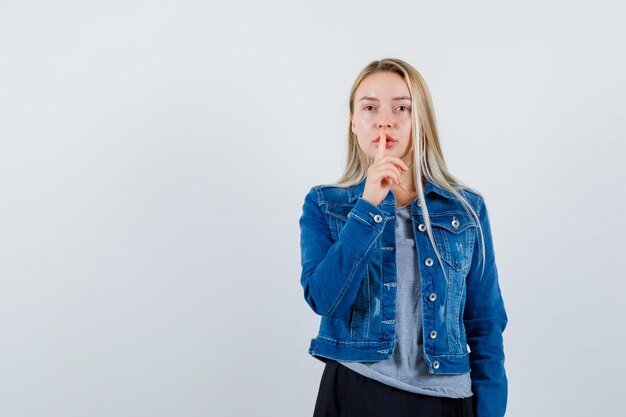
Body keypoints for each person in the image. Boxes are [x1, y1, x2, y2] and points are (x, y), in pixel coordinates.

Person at [298, 58, 508, 417]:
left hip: (446, 400)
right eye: (369, 107)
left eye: (401, 107)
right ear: (353, 122)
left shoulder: (466, 209)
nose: (385, 120)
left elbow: (485, 323)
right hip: (355, 389)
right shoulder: (324, 204)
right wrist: (369, 206)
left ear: (419, 119)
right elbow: (325, 300)